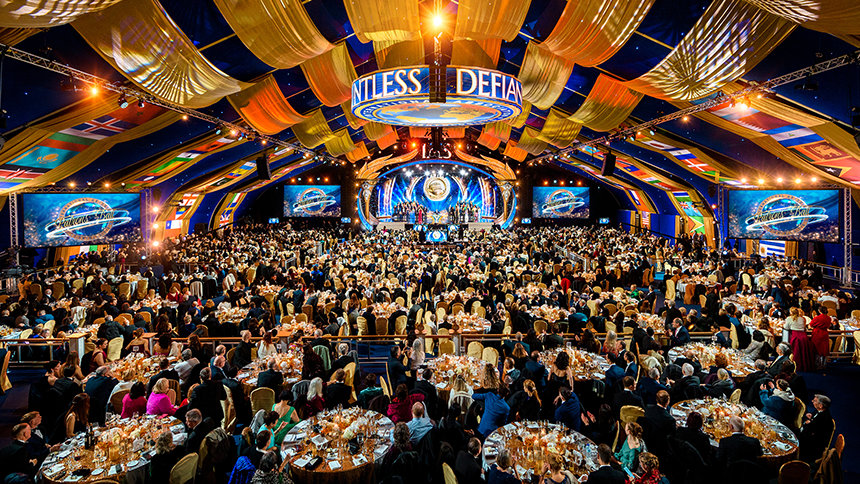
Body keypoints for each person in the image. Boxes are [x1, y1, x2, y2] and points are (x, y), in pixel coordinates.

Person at [800, 394, 834, 461]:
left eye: (815, 401)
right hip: (811, 435)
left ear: (820, 406)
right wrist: (810, 418)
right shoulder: (819, 411)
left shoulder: (825, 418)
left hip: (814, 446)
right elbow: (813, 420)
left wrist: (808, 423)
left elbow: (814, 432)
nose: (812, 401)